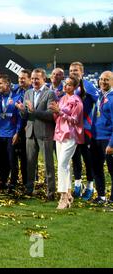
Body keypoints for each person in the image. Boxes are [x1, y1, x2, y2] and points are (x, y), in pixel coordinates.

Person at [16, 68, 56, 200]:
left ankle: (51, 193)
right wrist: (22, 111)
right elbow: (27, 115)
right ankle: (29, 190)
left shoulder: (50, 93)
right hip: (30, 132)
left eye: (36, 78)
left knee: (48, 164)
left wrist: (33, 111)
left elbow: (51, 115)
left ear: (44, 79)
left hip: (45, 132)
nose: (34, 81)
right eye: (32, 78)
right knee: (30, 163)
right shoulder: (28, 93)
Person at [49, 76, 84, 209]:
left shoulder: (77, 101)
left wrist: (59, 112)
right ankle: (69, 194)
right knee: (65, 166)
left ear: (75, 87)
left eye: (69, 85)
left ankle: (63, 197)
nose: (65, 87)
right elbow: (57, 117)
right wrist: (55, 112)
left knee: (62, 165)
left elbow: (75, 120)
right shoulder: (62, 98)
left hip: (71, 135)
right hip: (59, 134)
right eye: (65, 84)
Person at [70, 62, 98, 200]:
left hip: (86, 128)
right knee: (75, 158)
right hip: (72, 129)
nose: (73, 72)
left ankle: (90, 186)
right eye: (71, 70)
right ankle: (77, 184)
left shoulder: (89, 86)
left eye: (76, 70)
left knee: (88, 158)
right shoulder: (69, 86)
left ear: (82, 72)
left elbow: (98, 103)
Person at [90, 71, 113, 205]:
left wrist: (111, 144)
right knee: (96, 168)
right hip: (96, 138)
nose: (103, 82)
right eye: (101, 79)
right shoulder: (100, 95)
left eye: (107, 80)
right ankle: (101, 196)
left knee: (112, 170)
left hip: (107, 139)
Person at [0, 75, 23, 192]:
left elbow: (20, 118)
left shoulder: (17, 97)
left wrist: (17, 132)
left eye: (0, 84)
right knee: (2, 160)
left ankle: (13, 182)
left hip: (11, 134)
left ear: (7, 84)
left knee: (12, 160)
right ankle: (2, 180)